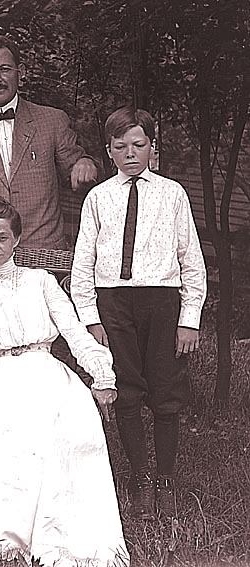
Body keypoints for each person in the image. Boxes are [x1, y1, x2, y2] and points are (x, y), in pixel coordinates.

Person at [0, 198, 128, 566]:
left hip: (46, 373)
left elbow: (76, 334)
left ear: (16, 239)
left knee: (56, 430)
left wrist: (102, 373)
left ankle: (56, 534)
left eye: (1, 238)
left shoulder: (40, 281)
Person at [71, 107, 207, 520]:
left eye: (138, 144)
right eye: (120, 146)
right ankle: (140, 477)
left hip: (162, 302)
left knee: (165, 394)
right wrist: (91, 317)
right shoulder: (98, 198)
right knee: (126, 389)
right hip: (115, 303)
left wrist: (189, 318)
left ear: (152, 147)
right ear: (108, 152)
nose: (130, 153)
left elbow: (192, 260)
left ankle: (166, 478)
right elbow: (83, 264)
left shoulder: (172, 194)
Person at [0, 34, 99, 266]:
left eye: (4, 69)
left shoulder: (52, 122)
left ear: (19, 72)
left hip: (46, 258)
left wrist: (85, 163)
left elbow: (79, 172)